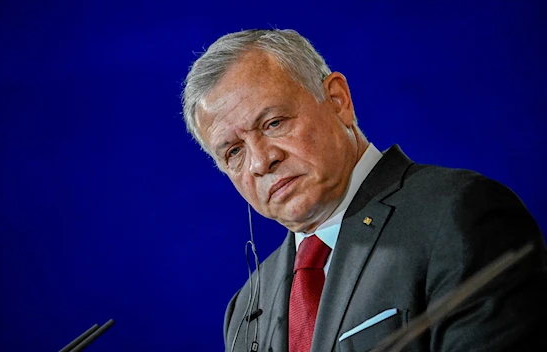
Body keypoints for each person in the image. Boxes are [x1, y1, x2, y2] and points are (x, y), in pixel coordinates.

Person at [181, 29, 547, 352]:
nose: (260, 162)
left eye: (273, 123)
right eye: (233, 152)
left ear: (338, 101)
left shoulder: (461, 216)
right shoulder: (245, 307)